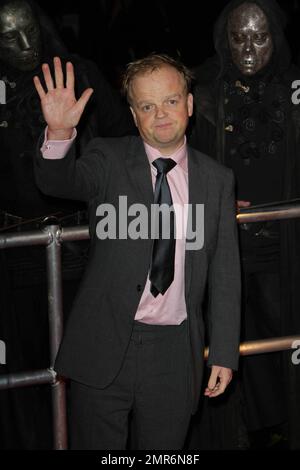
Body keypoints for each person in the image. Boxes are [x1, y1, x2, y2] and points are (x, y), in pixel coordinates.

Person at [33, 53, 241, 450]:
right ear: (133, 115)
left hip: (175, 354)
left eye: (171, 101)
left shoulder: (217, 180)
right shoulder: (107, 159)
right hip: (104, 344)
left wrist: (225, 353)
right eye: (147, 105)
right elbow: (61, 183)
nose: (161, 114)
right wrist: (59, 133)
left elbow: (226, 275)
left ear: (190, 104)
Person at [0, 0, 135, 449]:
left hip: (80, 238)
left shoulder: (78, 72)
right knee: (30, 361)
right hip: (17, 246)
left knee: (89, 354)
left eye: (30, 32)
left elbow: (123, 140)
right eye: (8, 37)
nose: (24, 45)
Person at [189, 0, 300, 449]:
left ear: (276, 36)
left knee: (285, 336)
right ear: (224, 40)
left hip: (287, 242)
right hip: (225, 244)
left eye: (260, 36)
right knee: (231, 341)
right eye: (239, 37)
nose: (249, 48)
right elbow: (174, 155)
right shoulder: (205, 87)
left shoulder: (295, 87)